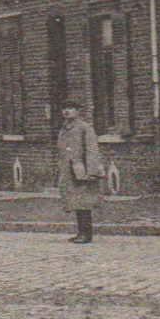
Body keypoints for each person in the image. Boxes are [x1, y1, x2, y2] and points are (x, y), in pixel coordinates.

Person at [57, 100, 105, 244]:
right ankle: (81, 232)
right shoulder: (64, 128)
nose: (67, 111)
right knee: (76, 202)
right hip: (69, 171)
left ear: (78, 111)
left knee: (83, 202)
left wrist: (91, 171)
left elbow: (92, 150)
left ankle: (86, 234)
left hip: (81, 172)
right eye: (65, 108)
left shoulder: (84, 127)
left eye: (71, 108)